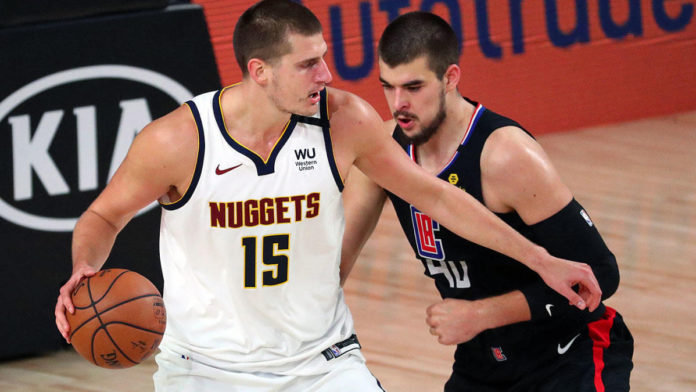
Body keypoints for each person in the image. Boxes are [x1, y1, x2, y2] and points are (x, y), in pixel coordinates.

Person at [54, 1, 601, 391]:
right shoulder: (177, 140)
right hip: (204, 368)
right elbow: (104, 215)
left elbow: (435, 197)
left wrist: (540, 258)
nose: (328, 72)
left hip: (322, 362)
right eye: (308, 64)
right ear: (259, 71)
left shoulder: (344, 121)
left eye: (324, 56)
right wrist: (84, 267)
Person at [340, 11, 634, 392]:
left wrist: (482, 313)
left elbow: (601, 273)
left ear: (450, 77)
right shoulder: (384, 152)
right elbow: (335, 262)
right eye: (388, 87)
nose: (399, 104)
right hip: (483, 362)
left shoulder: (507, 155)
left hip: (566, 356)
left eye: (413, 87)